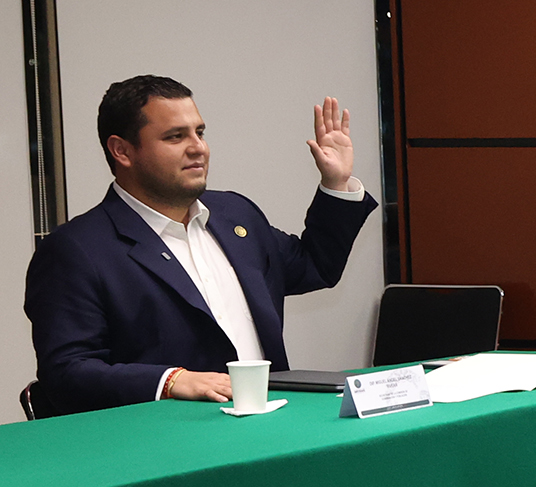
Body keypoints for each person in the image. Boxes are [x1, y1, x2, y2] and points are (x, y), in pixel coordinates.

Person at [25, 76, 377, 415]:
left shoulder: (235, 214)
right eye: (175, 136)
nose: (198, 148)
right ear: (122, 151)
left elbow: (315, 266)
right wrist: (170, 381)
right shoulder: (77, 250)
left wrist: (336, 182)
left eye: (200, 132)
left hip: (271, 427)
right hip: (166, 439)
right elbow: (66, 373)